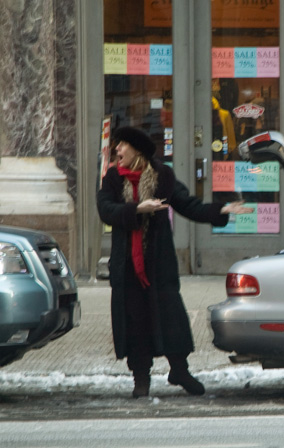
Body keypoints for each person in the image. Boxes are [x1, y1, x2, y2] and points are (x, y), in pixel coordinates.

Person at [97, 126, 253, 398]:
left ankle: (179, 370)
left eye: (122, 146)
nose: (117, 151)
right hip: (128, 268)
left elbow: (188, 204)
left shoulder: (162, 176)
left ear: (136, 150)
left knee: (171, 320)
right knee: (135, 324)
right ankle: (141, 380)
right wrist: (136, 209)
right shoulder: (113, 178)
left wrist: (221, 210)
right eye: (117, 146)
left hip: (159, 266)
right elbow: (105, 210)